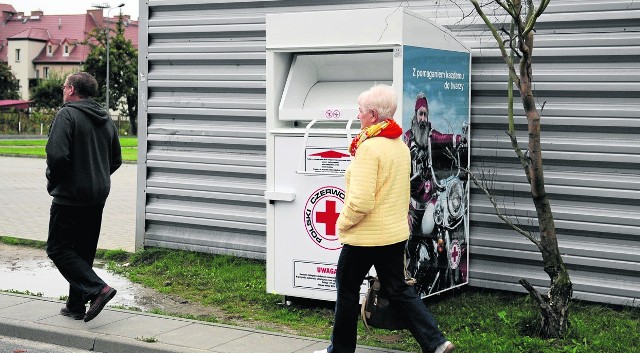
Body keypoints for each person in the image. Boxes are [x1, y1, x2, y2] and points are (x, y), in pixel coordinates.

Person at [314, 85, 455, 353]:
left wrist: (341, 223)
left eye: (361, 111)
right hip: (393, 234)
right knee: (398, 289)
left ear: (374, 115)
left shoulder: (369, 149)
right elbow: (402, 193)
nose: (358, 116)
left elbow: (361, 201)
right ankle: (436, 343)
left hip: (365, 236)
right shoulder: (399, 146)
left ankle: (340, 350)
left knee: (346, 289)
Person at [45, 72, 122, 323]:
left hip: (70, 197)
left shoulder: (66, 114)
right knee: (83, 251)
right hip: (97, 196)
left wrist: (54, 180)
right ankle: (76, 305)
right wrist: (96, 177)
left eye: (64, 86)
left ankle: (99, 290)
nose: (63, 90)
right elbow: (116, 159)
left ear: (71, 90)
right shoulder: (105, 118)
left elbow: (57, 156)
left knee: (58, 248)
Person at [404, 92, 467, 295]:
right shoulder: (406, 139)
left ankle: (440, 272)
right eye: (420, 114)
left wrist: (460, 139)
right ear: (415, 115)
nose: (423, 119)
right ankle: (408, 275)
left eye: (425, 114)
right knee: (408, 240)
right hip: (412, 201)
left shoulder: (432, 135)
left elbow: (445, 138)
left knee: (434, 228)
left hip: (430, 197)